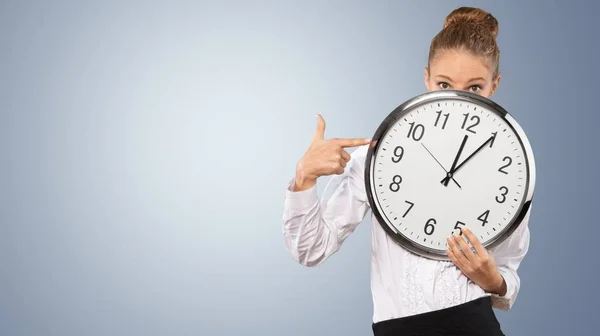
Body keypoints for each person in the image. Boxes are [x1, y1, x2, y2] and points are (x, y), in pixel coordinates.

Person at [281, 6, 532, 336]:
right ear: (427, 77)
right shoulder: (381, 154)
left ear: (494, 85)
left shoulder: (509, 167)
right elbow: (311, 250)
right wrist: (304, 179)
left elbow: (508, 271)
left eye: (474, 88)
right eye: (444, 83)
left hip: (472, 322)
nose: (457, 98)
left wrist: (494, 281)